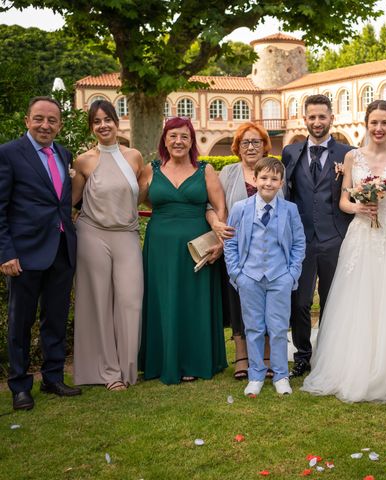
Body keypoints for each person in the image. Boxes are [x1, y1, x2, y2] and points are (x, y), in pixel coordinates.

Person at [301, 100, 386, 403]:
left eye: (385, 123)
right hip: (361, 234)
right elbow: (344, 200)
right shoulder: (353, 157)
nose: (379, 128)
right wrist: (360, 206)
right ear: (366, 124)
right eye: (374, 123)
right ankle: (355, 366)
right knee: (360, 301)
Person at [0, 96, 81, 410]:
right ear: (27, 120)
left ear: (59, 124)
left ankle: (53, 377)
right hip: (24, 253)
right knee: (20, 322)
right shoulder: (8, 154)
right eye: (39, 119)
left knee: (56, 318)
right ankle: (20, 386)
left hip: (61, 250)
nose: (45, 125)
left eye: (52, 120)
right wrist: (6, 253)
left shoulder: (63, 153)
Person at [138, 117, 227, 385]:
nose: (178, 141)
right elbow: (128, 199)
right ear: (164, 139)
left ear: (192, 141)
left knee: (193, 301)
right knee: (163, 299)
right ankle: (162, 360)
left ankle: (194, 360)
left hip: (197, 246)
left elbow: (220, 208)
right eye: (173, 136)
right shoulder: (150, 170)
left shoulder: (205, 170)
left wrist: (218, 242)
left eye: (184, 137)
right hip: (160, 247)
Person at [71, 100, 145, 391]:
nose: (103, 125)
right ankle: (109, 373)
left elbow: (137, 195)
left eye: (107, 120)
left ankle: (129, 369)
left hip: (127, 234)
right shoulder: (83, 161)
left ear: (117, 122)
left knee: (130, 300)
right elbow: (72, 203)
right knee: (99, 302)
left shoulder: (134, 157)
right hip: (92, 235)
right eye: (96, 121)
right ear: (92, 128)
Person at [283, 94, 354, 377]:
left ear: (331, 119)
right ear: (305, 119)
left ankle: (328, 355)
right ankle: (302, 355)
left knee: (331, 300)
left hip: (335, 236)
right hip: (301, 239)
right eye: (311, 117)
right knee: (299, 301)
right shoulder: (291, 152)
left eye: (322, 117)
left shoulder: (348, 153)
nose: (317, 122)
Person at [224, 157, 305, 396]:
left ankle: (280, 375)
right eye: (264, 178)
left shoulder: (290, 210)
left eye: (274, 179)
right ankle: (256, 374)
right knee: (254, 327)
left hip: (280, 276)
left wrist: (292, 274)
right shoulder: (241, 208)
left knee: (278, 327)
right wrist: (237, 274)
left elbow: (299, 243)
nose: (268, 183)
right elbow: (230, 242)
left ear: (281, 183)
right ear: (255, 179)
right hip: (249, 276)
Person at [215, 122, 282, 380]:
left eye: (256, 142)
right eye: (245, 143)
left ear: (265, 146)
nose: (251, 147)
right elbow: (214, 205)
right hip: (238, 252)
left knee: (268, 304)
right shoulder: (228, 172)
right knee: (239, 304)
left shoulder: (275, 170)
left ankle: (266, 357)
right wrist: (215, 223)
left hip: (270, 252)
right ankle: (242, 357)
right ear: (237, 148)